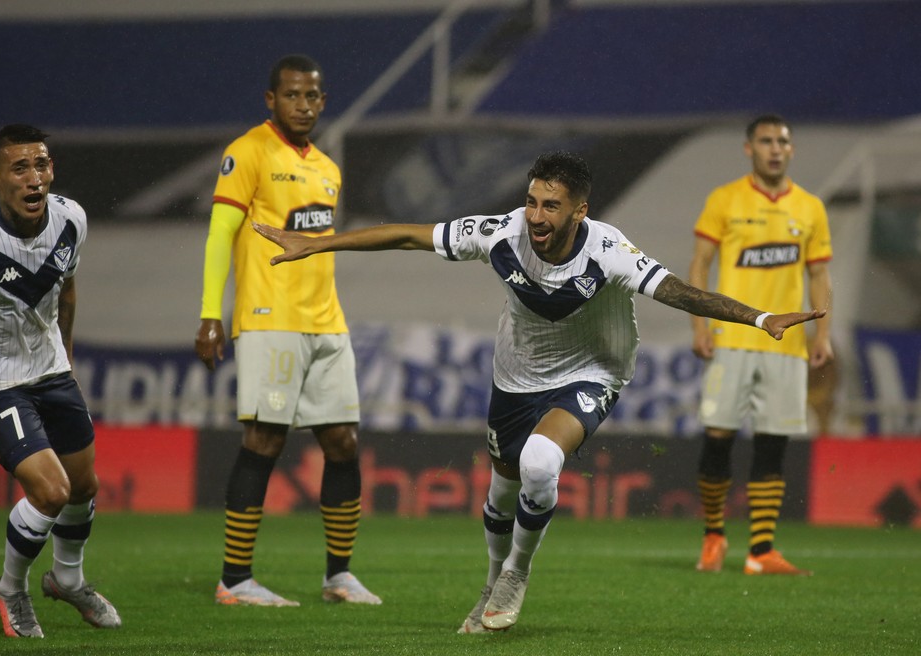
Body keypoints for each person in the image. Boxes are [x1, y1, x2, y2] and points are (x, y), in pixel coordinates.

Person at [252, 150, 825, 631]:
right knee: (501, 496)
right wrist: (319, 244)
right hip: (515, 378)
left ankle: (517, 573)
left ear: (580, 210)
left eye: (550, 205)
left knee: (540, 460)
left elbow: (676, 290)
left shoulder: (608, 251)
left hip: (593, 371)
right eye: (531, 200)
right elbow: (408, 235)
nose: (535, 214)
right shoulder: (501, 233)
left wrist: (759, 318)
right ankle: (491, 580)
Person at [194, 54, 380, 607]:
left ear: (323, 102)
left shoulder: (327, 167)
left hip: (328, 320)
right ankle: (234, 579)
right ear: (271, 99)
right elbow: (219, 234)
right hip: (270, 320)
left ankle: (339, 576)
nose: (303, 105)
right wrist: (210, 313)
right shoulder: (248, 152)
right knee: (265, 440)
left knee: (344, 443)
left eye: (312, 96)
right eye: (292, 95)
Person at [0, 124, 121, 638]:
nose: (34, 177)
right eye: (20, 168)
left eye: (41, 165)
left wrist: (67, 361)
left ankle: (67, 579)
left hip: (51, 371)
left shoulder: (71, 219)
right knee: (52, 491)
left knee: (85, 485)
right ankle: (11, 590)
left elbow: (67, 290)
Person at [689, 114, 833, 576]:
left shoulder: (811, 207)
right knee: (718, 438)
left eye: (783, 141)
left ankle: (761, 550)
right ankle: (714, 537)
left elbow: (818, 275)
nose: (776, 148)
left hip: (787, 347)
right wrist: (699, 325)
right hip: (732, 339)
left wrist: (822, 334)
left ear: (792, 150)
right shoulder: (725, 199)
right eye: (766, 140)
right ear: (748, 148)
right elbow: (700, 264)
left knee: (773, 444)